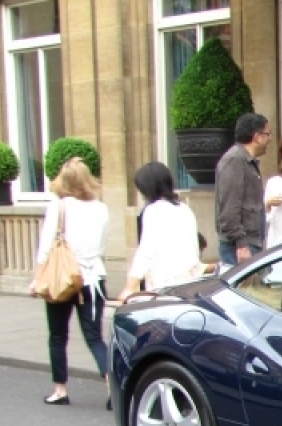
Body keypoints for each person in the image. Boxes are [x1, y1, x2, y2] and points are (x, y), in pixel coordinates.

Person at [28, 157, 109, 406]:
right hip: (93, 277)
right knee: (95, 337)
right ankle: (112, 389)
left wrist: (37, 279)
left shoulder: (59, 206)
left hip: (61, 278)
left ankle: (60, 389)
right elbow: (103, 246)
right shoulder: (101, 208)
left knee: (57, 335)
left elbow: (46, 247)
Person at [120, 162, 205, 301]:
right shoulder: (184, 208)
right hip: (190, 283)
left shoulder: (153, 210)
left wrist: (130, 286)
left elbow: (145, 252)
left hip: (164, 286)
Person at [215, 112, 271, 267]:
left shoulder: (246, 161)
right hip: (239, 247)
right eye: (268, 134)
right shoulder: (235, 160)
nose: (270, 139)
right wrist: (241, 244)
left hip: (250, 242)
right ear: (257, 137)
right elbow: (229, 209)